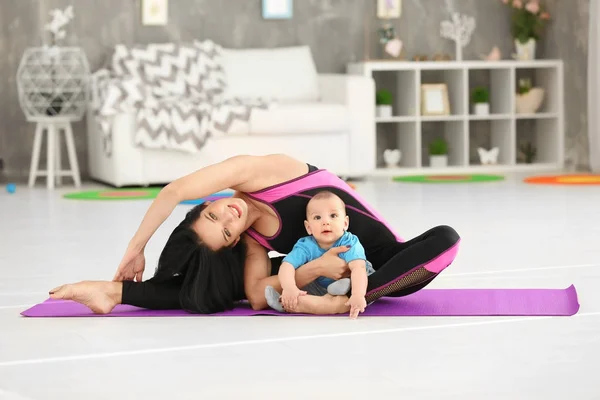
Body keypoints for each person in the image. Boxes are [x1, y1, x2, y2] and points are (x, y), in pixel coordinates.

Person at [49, 154, 461, 317]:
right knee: (214, 287)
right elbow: (256, 294)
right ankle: (112, 293)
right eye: (226, 232)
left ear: (204, 205)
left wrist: (136, 250)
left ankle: (358, 293)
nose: (229, 215)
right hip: (328, 275)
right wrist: (313, 268)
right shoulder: (252, 243)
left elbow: (173, 190)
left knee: (446, 238)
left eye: (212, 214)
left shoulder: (262, 174)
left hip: (389, 263)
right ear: (231, 242)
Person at [265, 190, 375, 319]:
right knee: (300, 279)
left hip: (357, 281)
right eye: (317, 217)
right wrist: (289, 288)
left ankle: (290, 305)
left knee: (363, 279)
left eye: (333, 216)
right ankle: (290, 299)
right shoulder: (305, 245)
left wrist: (358, 295)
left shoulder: (349, 242)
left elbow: (358, 269)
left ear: (345, 223)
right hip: (322, 286)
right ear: (308, 227)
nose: (325, 222)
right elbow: (287, 265)